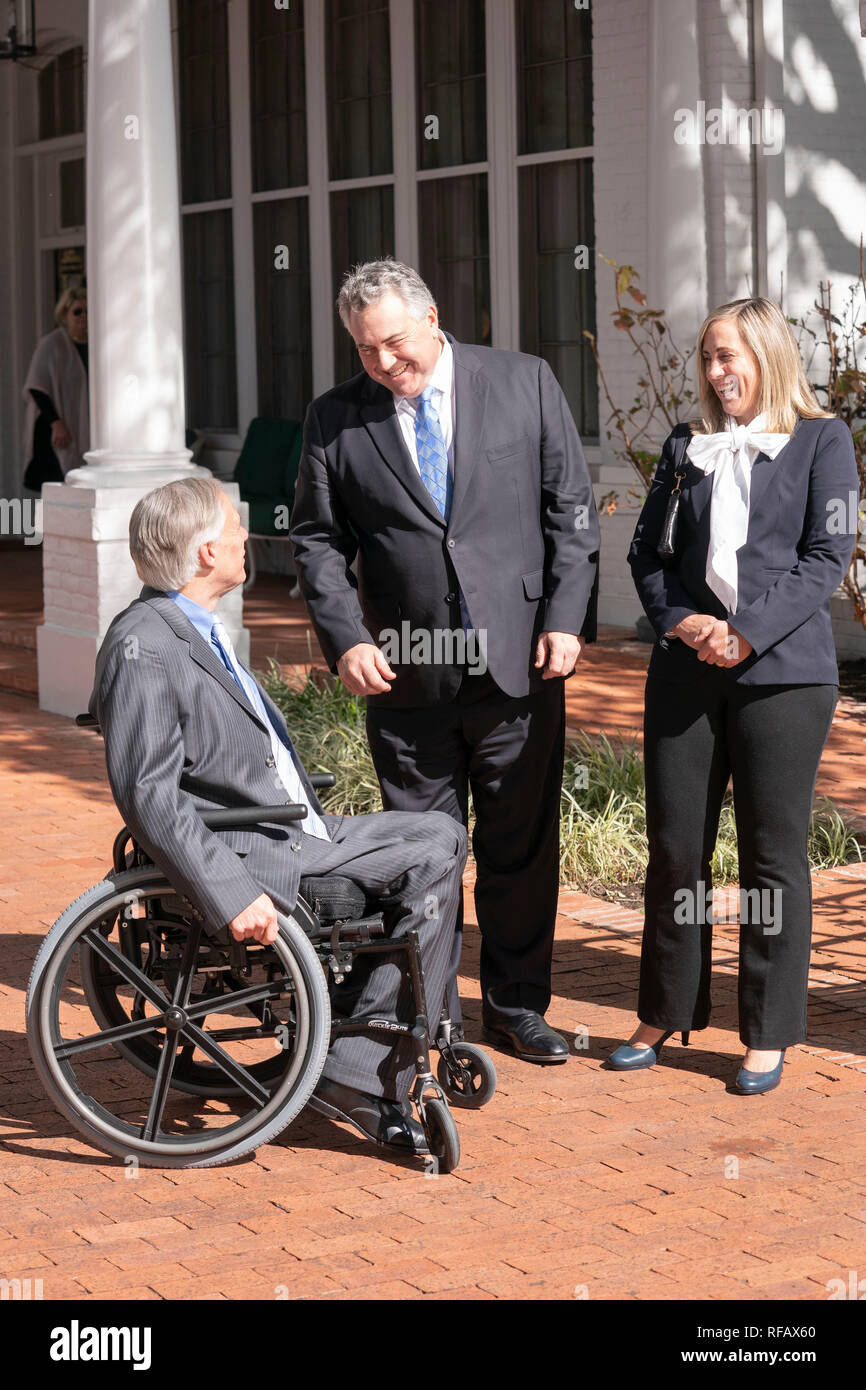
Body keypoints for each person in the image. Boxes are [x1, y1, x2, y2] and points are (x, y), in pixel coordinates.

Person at [90, 476, 468, 1153]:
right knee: (434, 849)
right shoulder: (143, 644)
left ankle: (357, 1046)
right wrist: (229, 891)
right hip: (256, 853)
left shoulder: (192, 630)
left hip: (287, 828)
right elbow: (148, 792)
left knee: (438, 831)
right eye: (234, 529)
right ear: (206, 553)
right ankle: (361, 1062)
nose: (244, 537)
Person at [290, 259, 600, 1065]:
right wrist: (345, 638)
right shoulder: (334, 419)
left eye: (395, 343)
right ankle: (429, 1016)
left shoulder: (525, 382)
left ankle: (516, 1006)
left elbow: (569, 513)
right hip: (406, 675)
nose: (386, 364)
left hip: (517, 664)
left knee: (517, 848)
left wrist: (567, 620)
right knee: (421, 856)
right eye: (366, 352)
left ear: (431, 318)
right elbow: (318, 541)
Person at [611, 296, 858, 1094]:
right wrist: (681, 621)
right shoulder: (687, 446)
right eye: (710, 358)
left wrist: (745, 632)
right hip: (687, 669)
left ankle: (768, 1030)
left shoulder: (825, 441)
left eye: (732, 357)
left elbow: (828, 556)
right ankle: (665, 1008)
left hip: (782, 675)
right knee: (677, 848)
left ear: (769, 357)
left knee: (770, 857)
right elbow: (646, 554)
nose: (718, 373)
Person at [22, 287, 89, 487]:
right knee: (56, 487)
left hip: (82, 424)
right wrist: (56, 424)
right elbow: (36, 386)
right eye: (77, 311)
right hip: (54, 428)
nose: (83, 316)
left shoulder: (96, 345)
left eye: (87, 311)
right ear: (65, 315)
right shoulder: (51, 344)